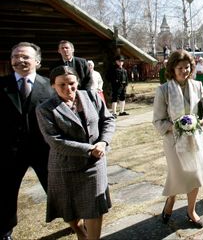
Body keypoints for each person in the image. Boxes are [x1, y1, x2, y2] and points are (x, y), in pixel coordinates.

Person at [36, 65, 116, 240]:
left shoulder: (91, 97)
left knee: (94, 208)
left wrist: (103, 142)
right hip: (65, 168)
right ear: (53, 86)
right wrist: (90, 149)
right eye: (61, 85)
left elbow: (108, 120)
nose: (68, 88)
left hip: (94, 166)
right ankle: (81, 233)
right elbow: (55, 141)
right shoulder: (45, 109)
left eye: (71, 83)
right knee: (70, 211)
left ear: (77, 82)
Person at [1, 42, 55, 240]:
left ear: (37, 61)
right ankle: (5, 230)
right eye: (15, 56)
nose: (19, 60)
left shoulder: (50, 86)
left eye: (25, 56)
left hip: (43, 150)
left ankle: (73, 220)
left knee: (55, 188)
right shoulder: (1, 85)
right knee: (5, 193)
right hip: (9, 152)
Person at [152, 50, 203, 228]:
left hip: (196, 139)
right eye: (180, 68)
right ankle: (171, 199)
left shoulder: (198, 86)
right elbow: (158, 120)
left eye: (187, 67)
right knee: (178, 175)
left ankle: (191, 211)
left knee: (195, 174)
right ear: (172, 68)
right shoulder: (163, 90)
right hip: (174, 140)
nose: (184, 71)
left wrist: (201, 120)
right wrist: (177, 125)